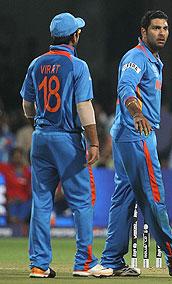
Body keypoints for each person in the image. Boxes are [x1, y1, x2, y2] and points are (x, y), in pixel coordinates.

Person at [96, 10, 172, 278]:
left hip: (131, 132)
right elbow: (126, 89)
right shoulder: (136, 57)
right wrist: (137, 114)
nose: (162, 32)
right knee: (153, 196)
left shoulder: (154, 60)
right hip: (137, 131)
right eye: (156, 28)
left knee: (124, 198)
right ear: (143, 31)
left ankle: (111, 261)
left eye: (166, 28)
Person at [20, 12, 103, 278]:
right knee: (82, 202)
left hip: (41, 138)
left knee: (42, 202)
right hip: (67, 138)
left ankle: (39, 264)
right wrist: (94, 142)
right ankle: (84, 262)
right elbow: (83, 107)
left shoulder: (35, 64)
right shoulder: (77, 65)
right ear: (74, 36)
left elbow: (27, 106)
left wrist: (40, 121)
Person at [0, 147, 31, 237]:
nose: (17, 159)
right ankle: (17, 228)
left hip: (24, 201)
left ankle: (22, 228)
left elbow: (29, 189)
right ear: (12, 158)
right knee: (13, 208)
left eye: (19, 157)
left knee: (30, 203)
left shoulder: (27, 171)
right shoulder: (6, 168)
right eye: (15, 157)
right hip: (11, 200)